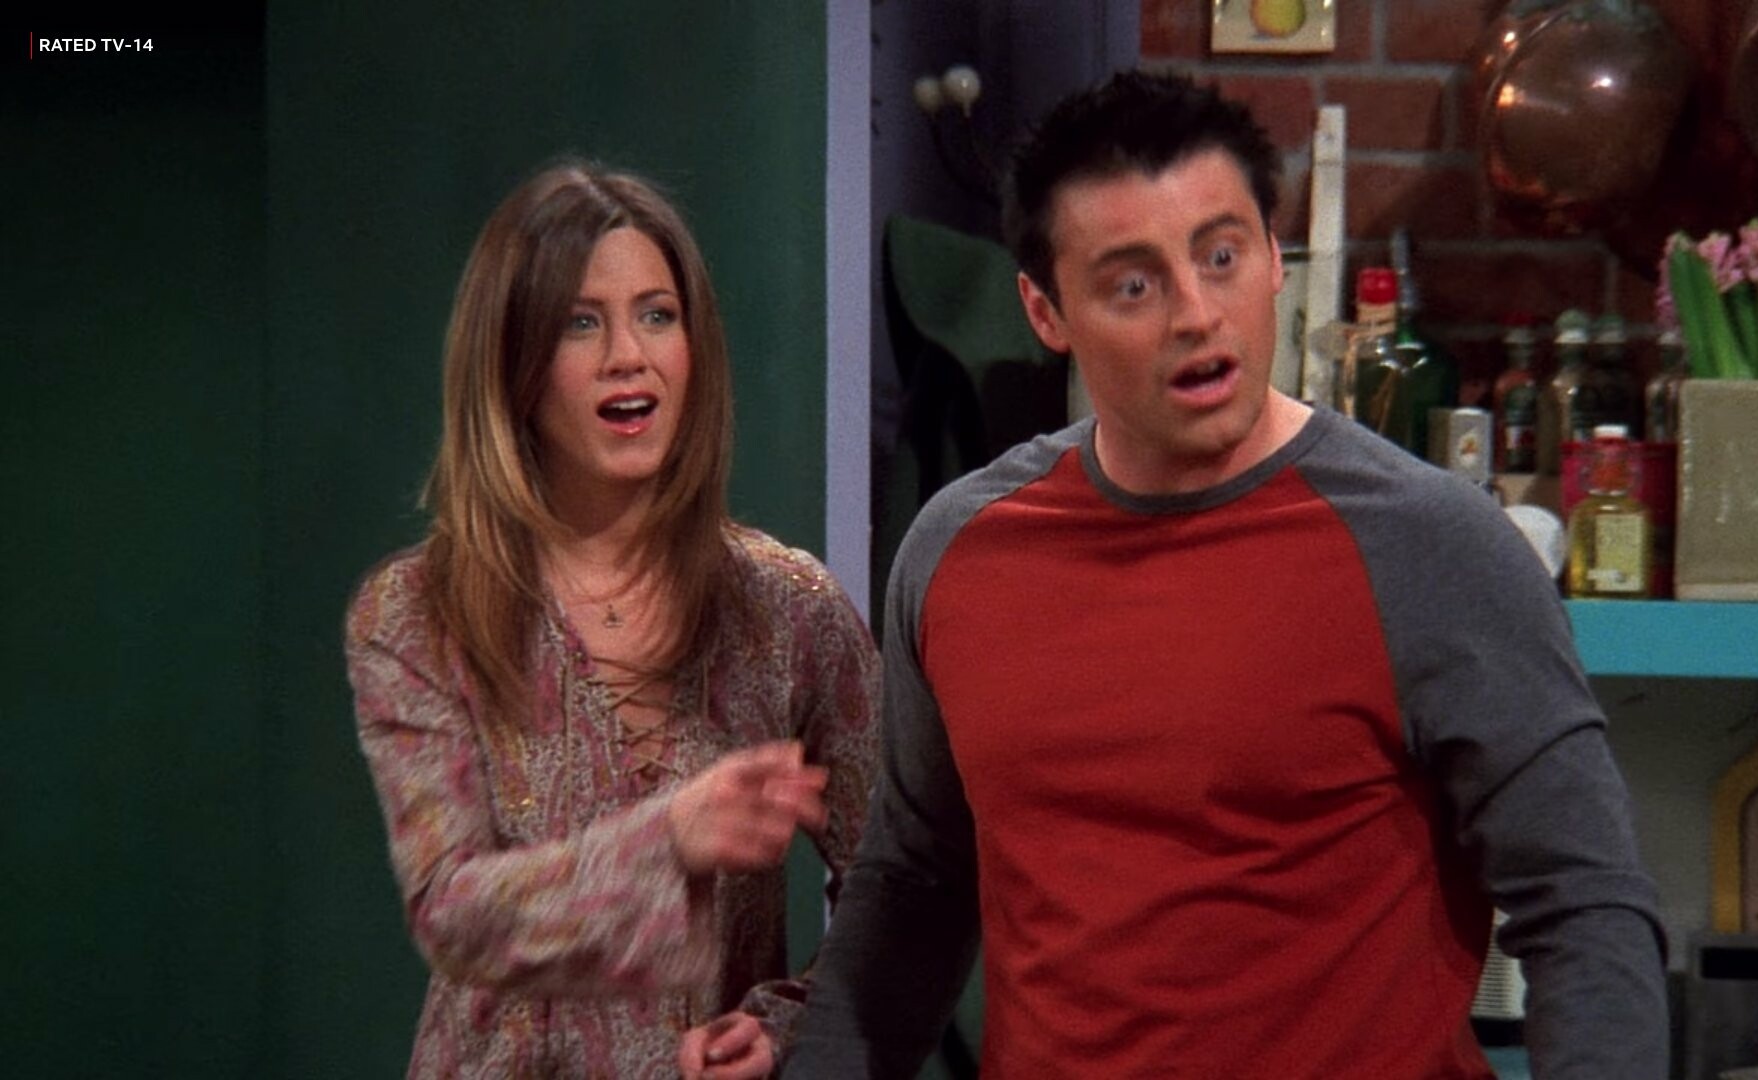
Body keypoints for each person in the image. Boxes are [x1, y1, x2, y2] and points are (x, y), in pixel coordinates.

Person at [785, 72, 1667, 1078]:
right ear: (1046, 311)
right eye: (1133, 286)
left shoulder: (1432, 545)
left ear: (1274, 257)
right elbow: (914, 884)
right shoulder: (959, 549)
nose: (1196, 314)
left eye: (1221, 256)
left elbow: (1585, 903)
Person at [343, 162, 879, 1079]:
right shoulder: (417, 613)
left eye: (657, 315)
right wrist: (667, 838)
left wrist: (789, 1025)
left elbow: (901, 880)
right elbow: (453, 911)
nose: (628, 354)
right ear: (513, 364)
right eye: (579, 323)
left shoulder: (790, 608)